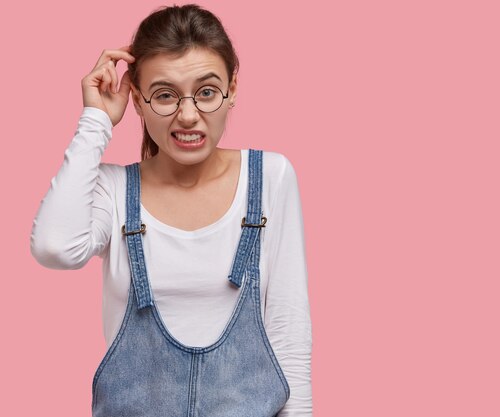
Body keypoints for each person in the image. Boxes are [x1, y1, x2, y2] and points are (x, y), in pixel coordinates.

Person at [30, 4, 312, 416]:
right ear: (138, 102)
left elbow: (289, 333)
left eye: (207, 92)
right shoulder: (113, 188)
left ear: (232, 89)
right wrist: (96, 121)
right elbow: (54, 248)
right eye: (164, 95)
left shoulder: (271, 177)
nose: (188, 115)